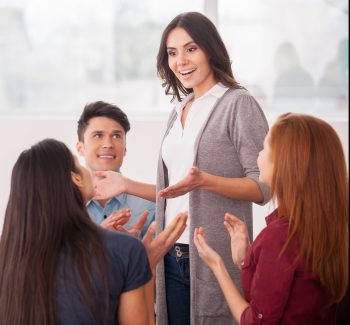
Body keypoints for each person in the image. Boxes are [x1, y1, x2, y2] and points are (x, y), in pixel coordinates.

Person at [94, 11, 270, 325]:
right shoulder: (179, 112)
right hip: (171, 255)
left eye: (191, 49)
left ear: (210, 50)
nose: (181, 61)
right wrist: (126, 184)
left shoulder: (237, 104)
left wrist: (205, 181)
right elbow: (176, 191)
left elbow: (264, 187)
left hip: (211, 253)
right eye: (172, 53)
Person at [0, 138, 187, 325]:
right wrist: (147, 264)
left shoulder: (9, 255)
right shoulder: (126, 250)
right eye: (78, 164)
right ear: (76, 178)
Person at [194, 113, 349, 324]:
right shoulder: (333, 229)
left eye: (264, 148)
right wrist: (246, 259)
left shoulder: (278, 238)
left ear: (285, 163)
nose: (258, 155)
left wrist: (217, 266)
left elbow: (255, 321)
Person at [77, 101, 155, 237]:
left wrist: (137, 250)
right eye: (98, 135)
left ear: (125, 148)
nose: (108, 144)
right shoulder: (62, 205)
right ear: (80, 148)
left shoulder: (149, 205)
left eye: (116, 136)